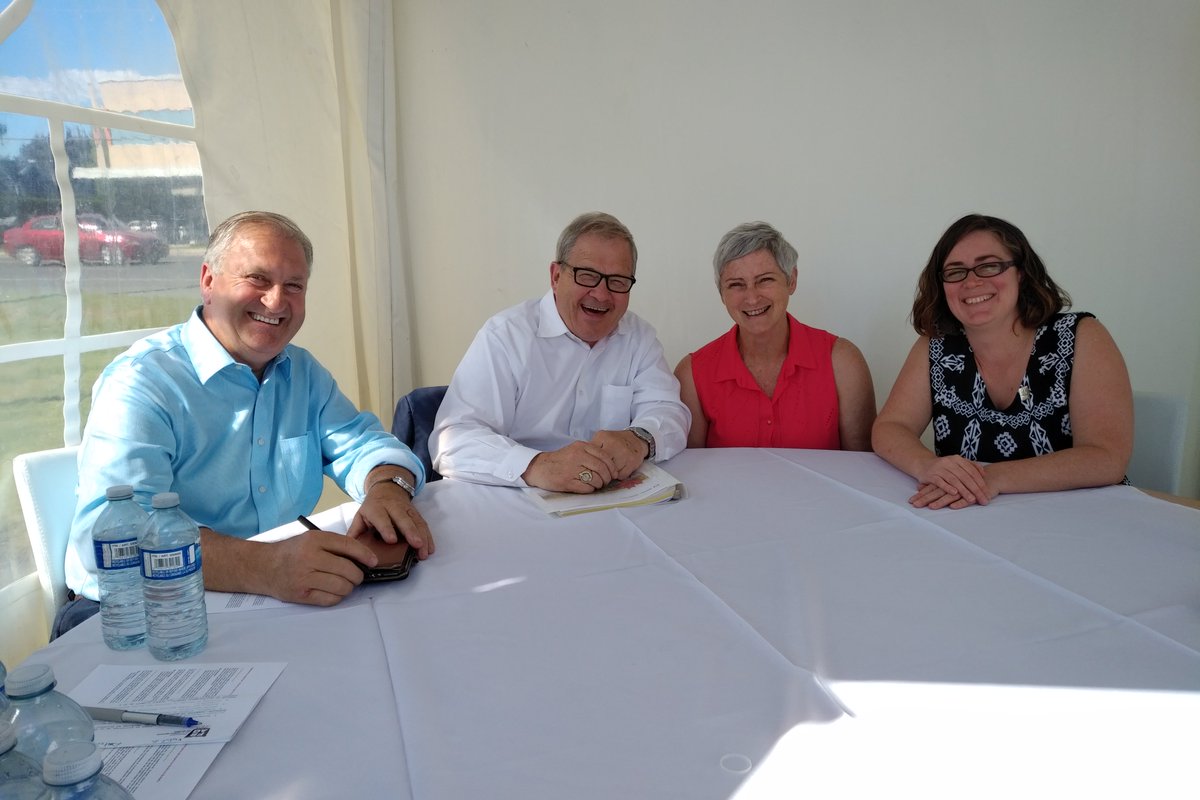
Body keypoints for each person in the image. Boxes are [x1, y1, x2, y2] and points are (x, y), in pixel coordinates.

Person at [62, 211, 434, 634]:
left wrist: (388, 488)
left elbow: (363, 444)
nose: (276, 302)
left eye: (294, 286)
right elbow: (114, 537)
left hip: (268, 597)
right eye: (257, 279)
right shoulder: (143, 382)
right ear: (208, 281)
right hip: (130, 614)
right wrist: (265, 567)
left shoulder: (302, 373)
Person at [872, 213, 1132, 510]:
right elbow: (890, 427)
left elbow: (1106, 457)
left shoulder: (1081, 335)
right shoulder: (935, 346)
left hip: (1082, 516)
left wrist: (990, 478)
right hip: (973, 517)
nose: (971, 281)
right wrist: (926, 465)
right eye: (956, 272)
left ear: (1021, 272)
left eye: (989, 266)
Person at [431, 211, 690, 492]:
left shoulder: (639, 337)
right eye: (587, 276)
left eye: (617, 281)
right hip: (517, 497)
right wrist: (536, 465)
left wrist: (639, 439)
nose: (601, 294)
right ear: (556, 276)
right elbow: (453, 441)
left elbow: (669, 410)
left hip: (610, 500)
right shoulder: (505, 337)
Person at [674, 222, 876, 450]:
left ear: (791, 280)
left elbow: (863, 464)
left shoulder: (842, 362)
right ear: (722, 293)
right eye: (736, 285)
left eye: (765, 280)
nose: (752, 298)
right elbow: (690, 468)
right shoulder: (692, 374)